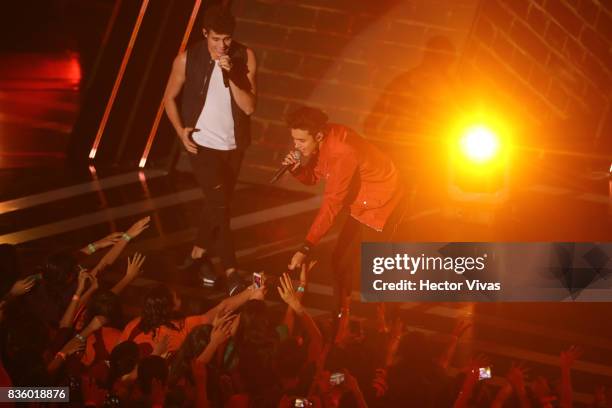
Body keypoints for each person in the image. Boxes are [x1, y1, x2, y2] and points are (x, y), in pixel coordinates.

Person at [163, 4, 257, 295]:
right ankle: (231, 270)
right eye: (216, 39)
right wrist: (181, 132)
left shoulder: (244, 56)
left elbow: (249, 107)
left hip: (234, 145)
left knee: (213, 204)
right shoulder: (186, 58)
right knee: (221, 207)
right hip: (202, 145)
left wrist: (234, 76)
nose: (221, 45)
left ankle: (195, 257)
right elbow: (169, 98)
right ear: (205, 34)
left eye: (227, 39)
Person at [283, 106, 406, 315]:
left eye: (301, 141)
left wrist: (306, 247)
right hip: (362, 199)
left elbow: (332, 205)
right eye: (294, 140)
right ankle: (342, 314)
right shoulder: (325, 139)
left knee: (376, 269)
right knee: (340, 260)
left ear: (318, 135)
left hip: (383, 202)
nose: (296, 146)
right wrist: (297, 170)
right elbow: (313, 177)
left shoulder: (342, 151)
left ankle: (390, 325)